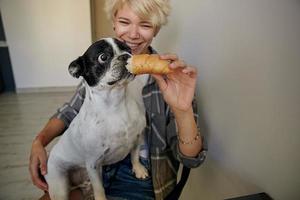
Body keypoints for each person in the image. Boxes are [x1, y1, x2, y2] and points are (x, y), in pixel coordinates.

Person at [29, 0, 207, 199]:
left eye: (145, 24)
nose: (133, 34)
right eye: (125, 22)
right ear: (114, 22)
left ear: (156, 29)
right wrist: (39, 141)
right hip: (92, 167)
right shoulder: (100, 75)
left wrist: (182, 110)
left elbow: (191, 160)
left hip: (141, 179)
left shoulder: (172, 78)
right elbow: (69, 112)